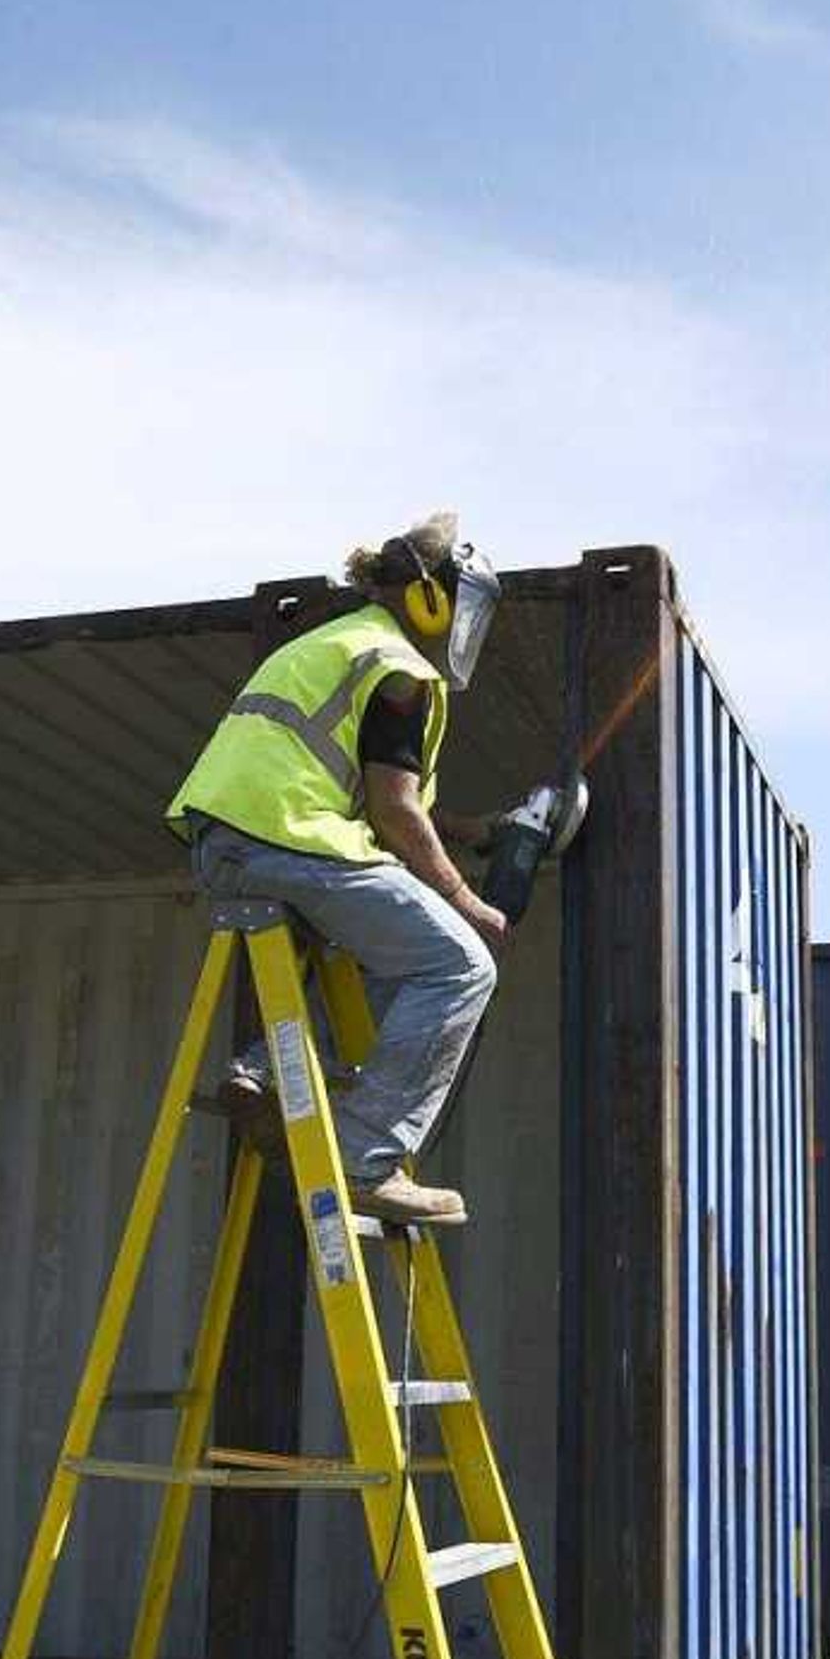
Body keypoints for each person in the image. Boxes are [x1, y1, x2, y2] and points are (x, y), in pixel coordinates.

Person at [164, 514, 514, 1226]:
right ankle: (369, 1155)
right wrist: (464, 898)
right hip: (289, 840)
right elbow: (393, 811)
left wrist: (480, 832)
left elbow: (376, 790)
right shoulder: (398, 670)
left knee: (379, 960)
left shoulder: (330, 643)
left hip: (228, 844)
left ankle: (262, 1070)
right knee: (457, 967)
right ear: (428, 597)